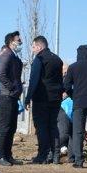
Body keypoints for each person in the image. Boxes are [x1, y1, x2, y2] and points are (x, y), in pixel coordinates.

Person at [25, 36, 64, 164]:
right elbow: (60, 80)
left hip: (42, 98)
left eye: (34, 47)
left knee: (41, 126)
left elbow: (34, 80)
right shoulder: (57, 59)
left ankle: (43, 155)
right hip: (56, 98)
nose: (33, 50)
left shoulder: (39, 59)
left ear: (40, 46)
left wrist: (28, 97)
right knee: (53, 126)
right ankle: (56, 155)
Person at [0, 32, 24, 166]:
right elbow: (0, 74)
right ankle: (1, 156)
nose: (20, 43)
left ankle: (8, 155)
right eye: (18, 41)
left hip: (12, 96)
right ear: (11, 42)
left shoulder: (14, 55)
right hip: (6, 96)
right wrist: (12, 87)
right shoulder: (7, 54)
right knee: (5, 127)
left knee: (12, 127)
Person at [57, 95, 74, 163]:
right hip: (65, 108)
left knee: (73, 136)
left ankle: (71, 157)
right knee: (64, 135)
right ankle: (52, 154)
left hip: (75, 109)